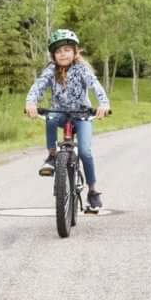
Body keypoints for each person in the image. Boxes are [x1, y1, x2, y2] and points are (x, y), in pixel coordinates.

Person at [25, 28, 109, 214]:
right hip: (60, 113)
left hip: (82, 115)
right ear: (53, 55)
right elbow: (38, 86)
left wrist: (103, 103)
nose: (63, 54)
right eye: (58, 51)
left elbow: (95, 85)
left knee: (86, 152)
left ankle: (93, 190)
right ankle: (53, 155)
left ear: (75, 52)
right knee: (51, 118)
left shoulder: (81, 69)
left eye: (67, 50)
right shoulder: (51, 70)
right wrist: (31, 102)